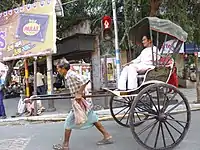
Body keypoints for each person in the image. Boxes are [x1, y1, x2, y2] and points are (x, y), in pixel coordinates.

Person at [53, 61, 113, 150]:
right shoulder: (68, 76)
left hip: (81, 103)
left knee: (68, 122)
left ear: (63, 69)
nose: (57, 70)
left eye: (58, 68)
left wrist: (79, 93)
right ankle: (107, 135)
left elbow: (86, 80)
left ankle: (65, 145)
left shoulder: (71, 75)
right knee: (93, 119)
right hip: (82, 102)